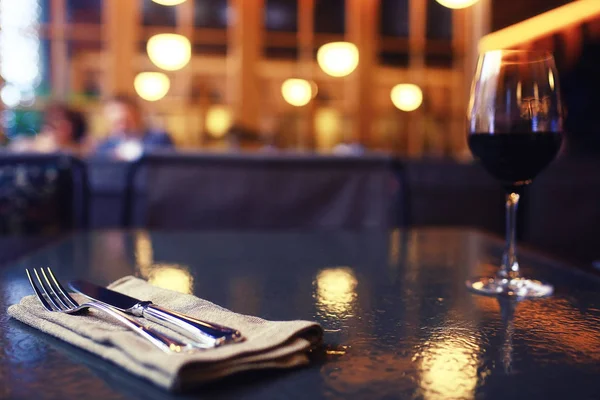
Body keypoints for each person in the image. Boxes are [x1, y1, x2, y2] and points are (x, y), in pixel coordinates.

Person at [94, 95, 174, 159]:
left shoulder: (159, 138)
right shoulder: (104, 146)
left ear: (137, 116)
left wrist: (130, 153)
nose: (122, 128)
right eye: (116, 123)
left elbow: (167, 160)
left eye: (125, 121)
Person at [10, 103, 88, 154]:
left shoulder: (76, 153)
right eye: (50, 122)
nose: (53, 125)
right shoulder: (38, 144)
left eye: (58, 120)